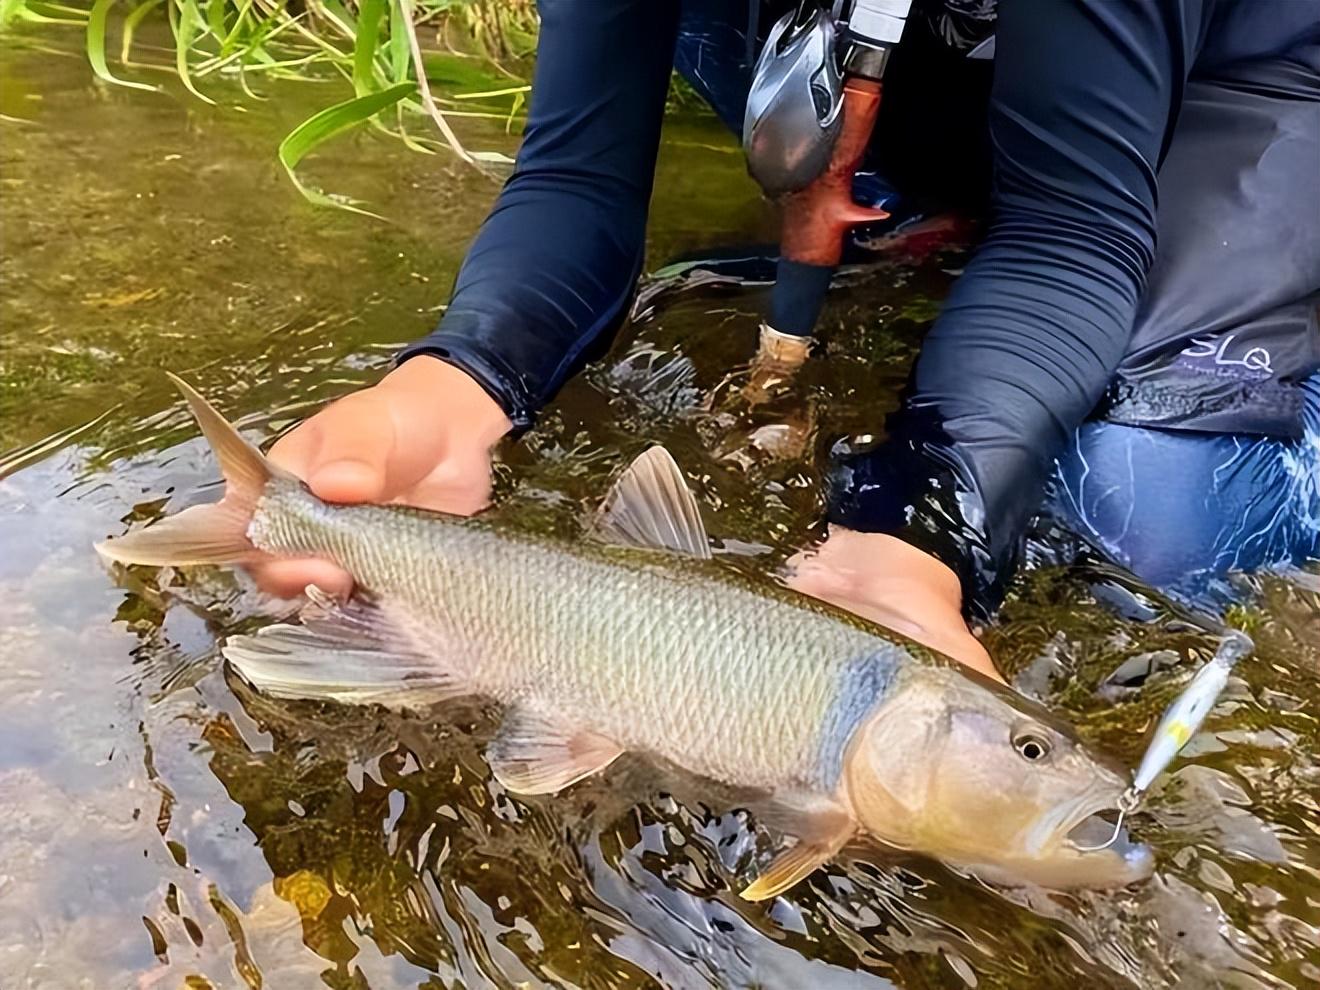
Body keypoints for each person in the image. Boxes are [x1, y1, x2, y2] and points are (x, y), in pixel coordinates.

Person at [250, 0, 1320, 681]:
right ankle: (955, 201)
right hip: (942, 46)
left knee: (1137, 523)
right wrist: (451, 384)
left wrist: (923, 526)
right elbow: (576, 178)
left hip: (1236, 83)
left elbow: (1069, 233)